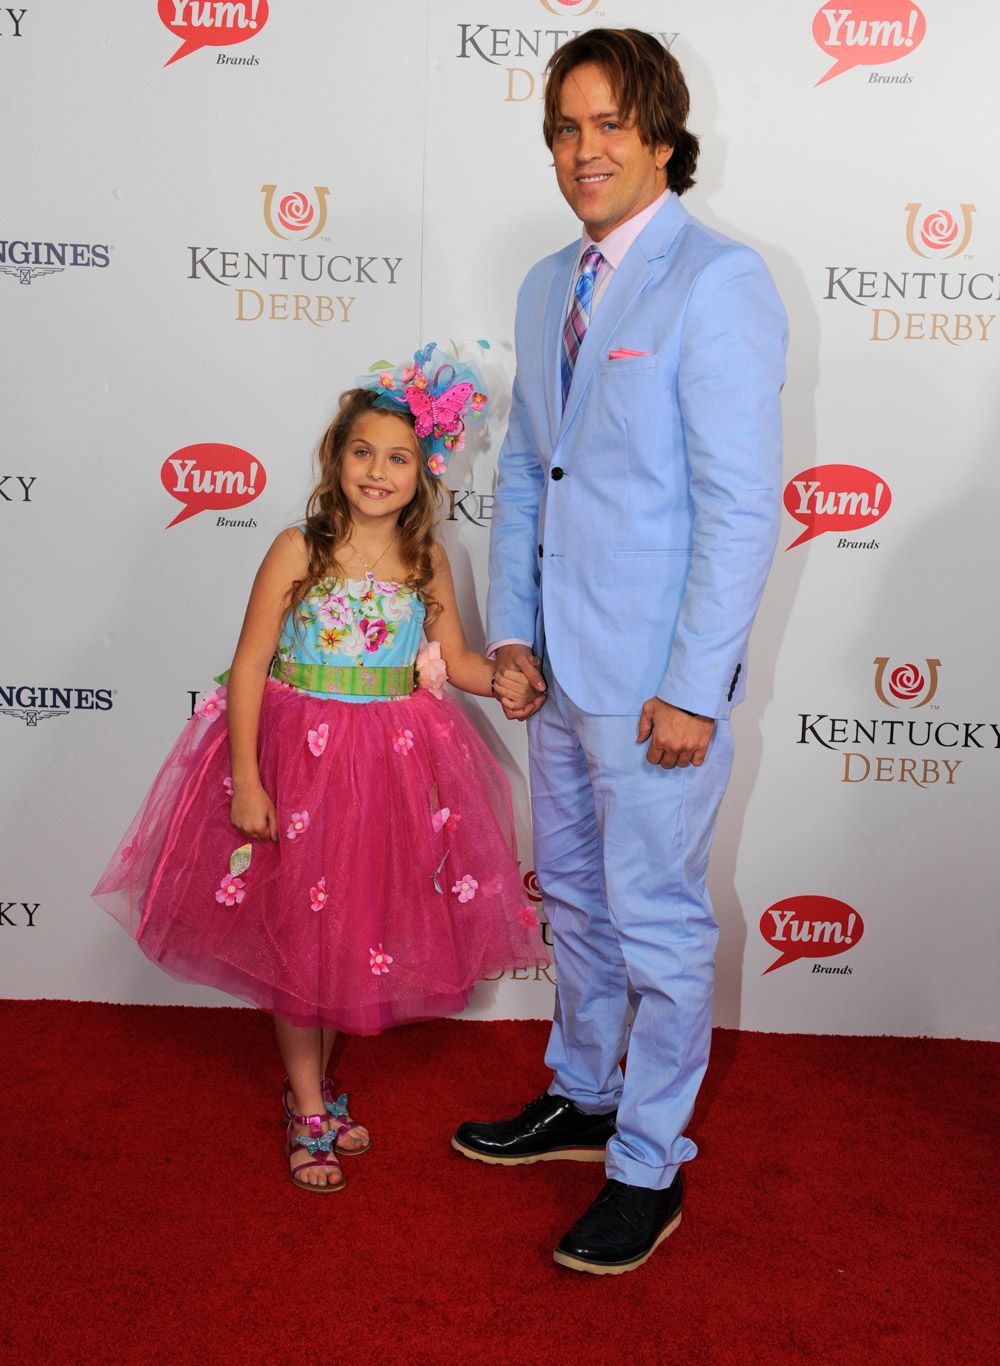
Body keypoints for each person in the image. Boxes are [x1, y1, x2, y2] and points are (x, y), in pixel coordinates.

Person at [452, 30, 787, 1274]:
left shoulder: (720, 281)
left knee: (654, 924)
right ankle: (581, 1095)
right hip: (557, 675)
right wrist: (514, 638)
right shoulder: (549, 286)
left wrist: (693, 688)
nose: (581, 151)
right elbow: (534, 481)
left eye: (606, 125)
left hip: (657, 691)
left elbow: (740, 506)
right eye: (562, 128)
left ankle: (648, 1165)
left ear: (659, 137)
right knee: (580, 912)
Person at [94, 342, 548, 1193]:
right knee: (302, 941)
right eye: (362, 452)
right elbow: (250, 666)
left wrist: (513, 680)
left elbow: (457, 660)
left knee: (348, 937)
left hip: (391, 770)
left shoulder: (429, 561)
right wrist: (248, 779)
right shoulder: (298, 548)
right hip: (298, 768)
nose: (378, 471)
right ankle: (307, 1105)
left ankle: (315, 1087)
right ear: (336, 458)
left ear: (425, 472)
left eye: (399, 458)